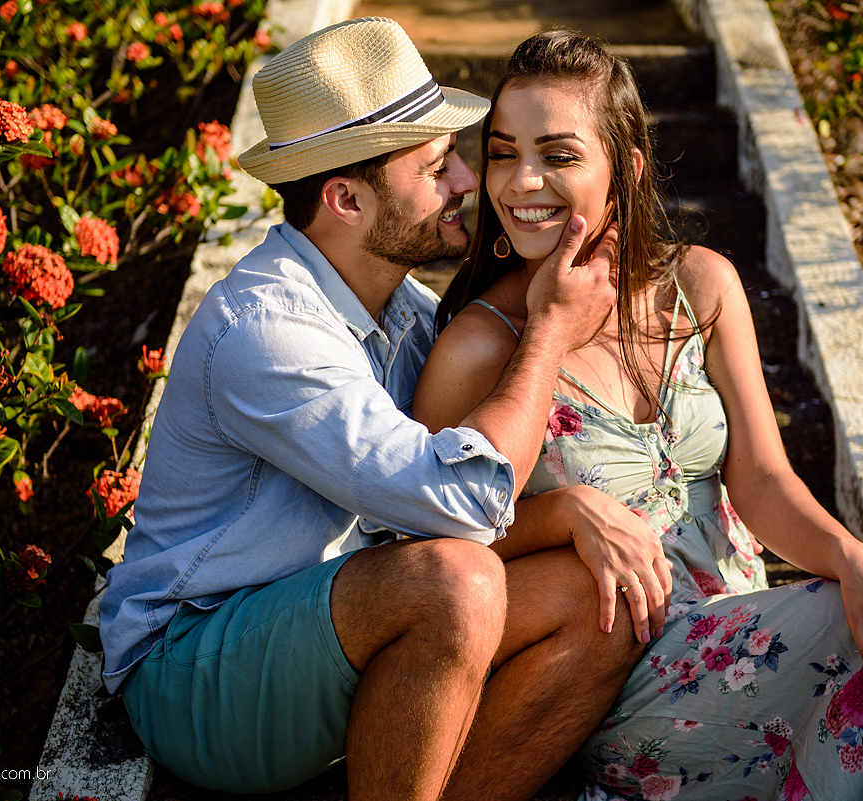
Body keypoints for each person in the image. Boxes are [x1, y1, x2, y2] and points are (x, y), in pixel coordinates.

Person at [413, 30, 863, 801]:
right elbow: (437, 550)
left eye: (559, 154)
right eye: (505, 152)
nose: (522, 181)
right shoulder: (479, 348)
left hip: (745, 620)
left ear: (627, 168)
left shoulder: (701, 286)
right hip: (616, 670)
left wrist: (854, 561)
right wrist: (562, 511)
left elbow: (763, 476)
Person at [97, 18, 648, 801]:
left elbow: (430, 525)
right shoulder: (268, 331)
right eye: (435, 165)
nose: (466, 181)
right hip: (196, 669)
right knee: (455, 582)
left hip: (334, 628)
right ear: (346, 198)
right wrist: (551, 329)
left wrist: (574, 514)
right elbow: (460, 506)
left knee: (602, 602)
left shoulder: (405, 314)